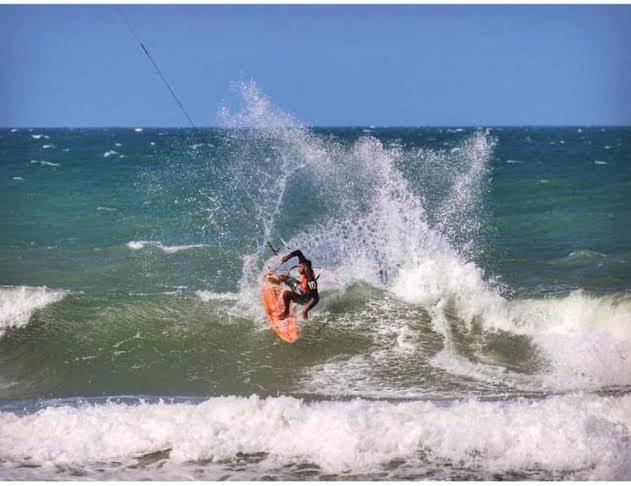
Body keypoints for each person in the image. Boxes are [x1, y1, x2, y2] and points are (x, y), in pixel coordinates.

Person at [277, 249, 319, 320]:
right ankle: (277, 289)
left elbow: (316, 298)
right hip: (300, 287)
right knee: (282, 277)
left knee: (286, 294)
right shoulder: (304, 264)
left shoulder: (310, 281)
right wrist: (288, 257)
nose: (297, 268)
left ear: (304, 267)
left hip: (304, 298)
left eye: (299, 267)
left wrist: (306, 310)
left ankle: (286, 313)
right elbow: (299, 252)